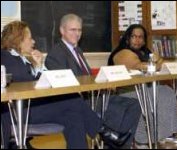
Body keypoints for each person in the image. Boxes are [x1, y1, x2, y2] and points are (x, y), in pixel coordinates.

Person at [0, 21, 129, 149]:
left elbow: (44, 82)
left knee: (74, 116)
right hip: (19, 112)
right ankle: (105, 132)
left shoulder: (24, 59)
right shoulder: (6, 57)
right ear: (18, 40)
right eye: (30, 38)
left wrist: (39, 66)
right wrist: (37, 69)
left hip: (33, 107)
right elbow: (25, 83)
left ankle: (105, 133)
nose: (33, 42)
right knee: (71, 98)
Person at [44, 14, 141, 148]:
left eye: (79, 30)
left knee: (135, 105)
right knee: (116, 110)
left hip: (95, 96)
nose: (77, 34)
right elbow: (63, 83)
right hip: (79, 102)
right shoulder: (56, 53)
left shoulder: (77, 50)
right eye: (73, 30)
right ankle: (111, 139)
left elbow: (88, 77)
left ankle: (116, 144)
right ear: (62, 30)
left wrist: (104, 83)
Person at [108, 24, 177, 145]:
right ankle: (142, 139)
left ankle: (166, 133)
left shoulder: (145, 52)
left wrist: (162, 63)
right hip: (126, 92)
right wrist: (157, 63)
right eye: (134, 36)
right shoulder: (122, 52)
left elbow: (162, 64)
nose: (138, 40)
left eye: (141, 37)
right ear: (127, 38)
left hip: (144, 88)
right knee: (152, 96)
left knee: (166, 91)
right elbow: (139, 67)